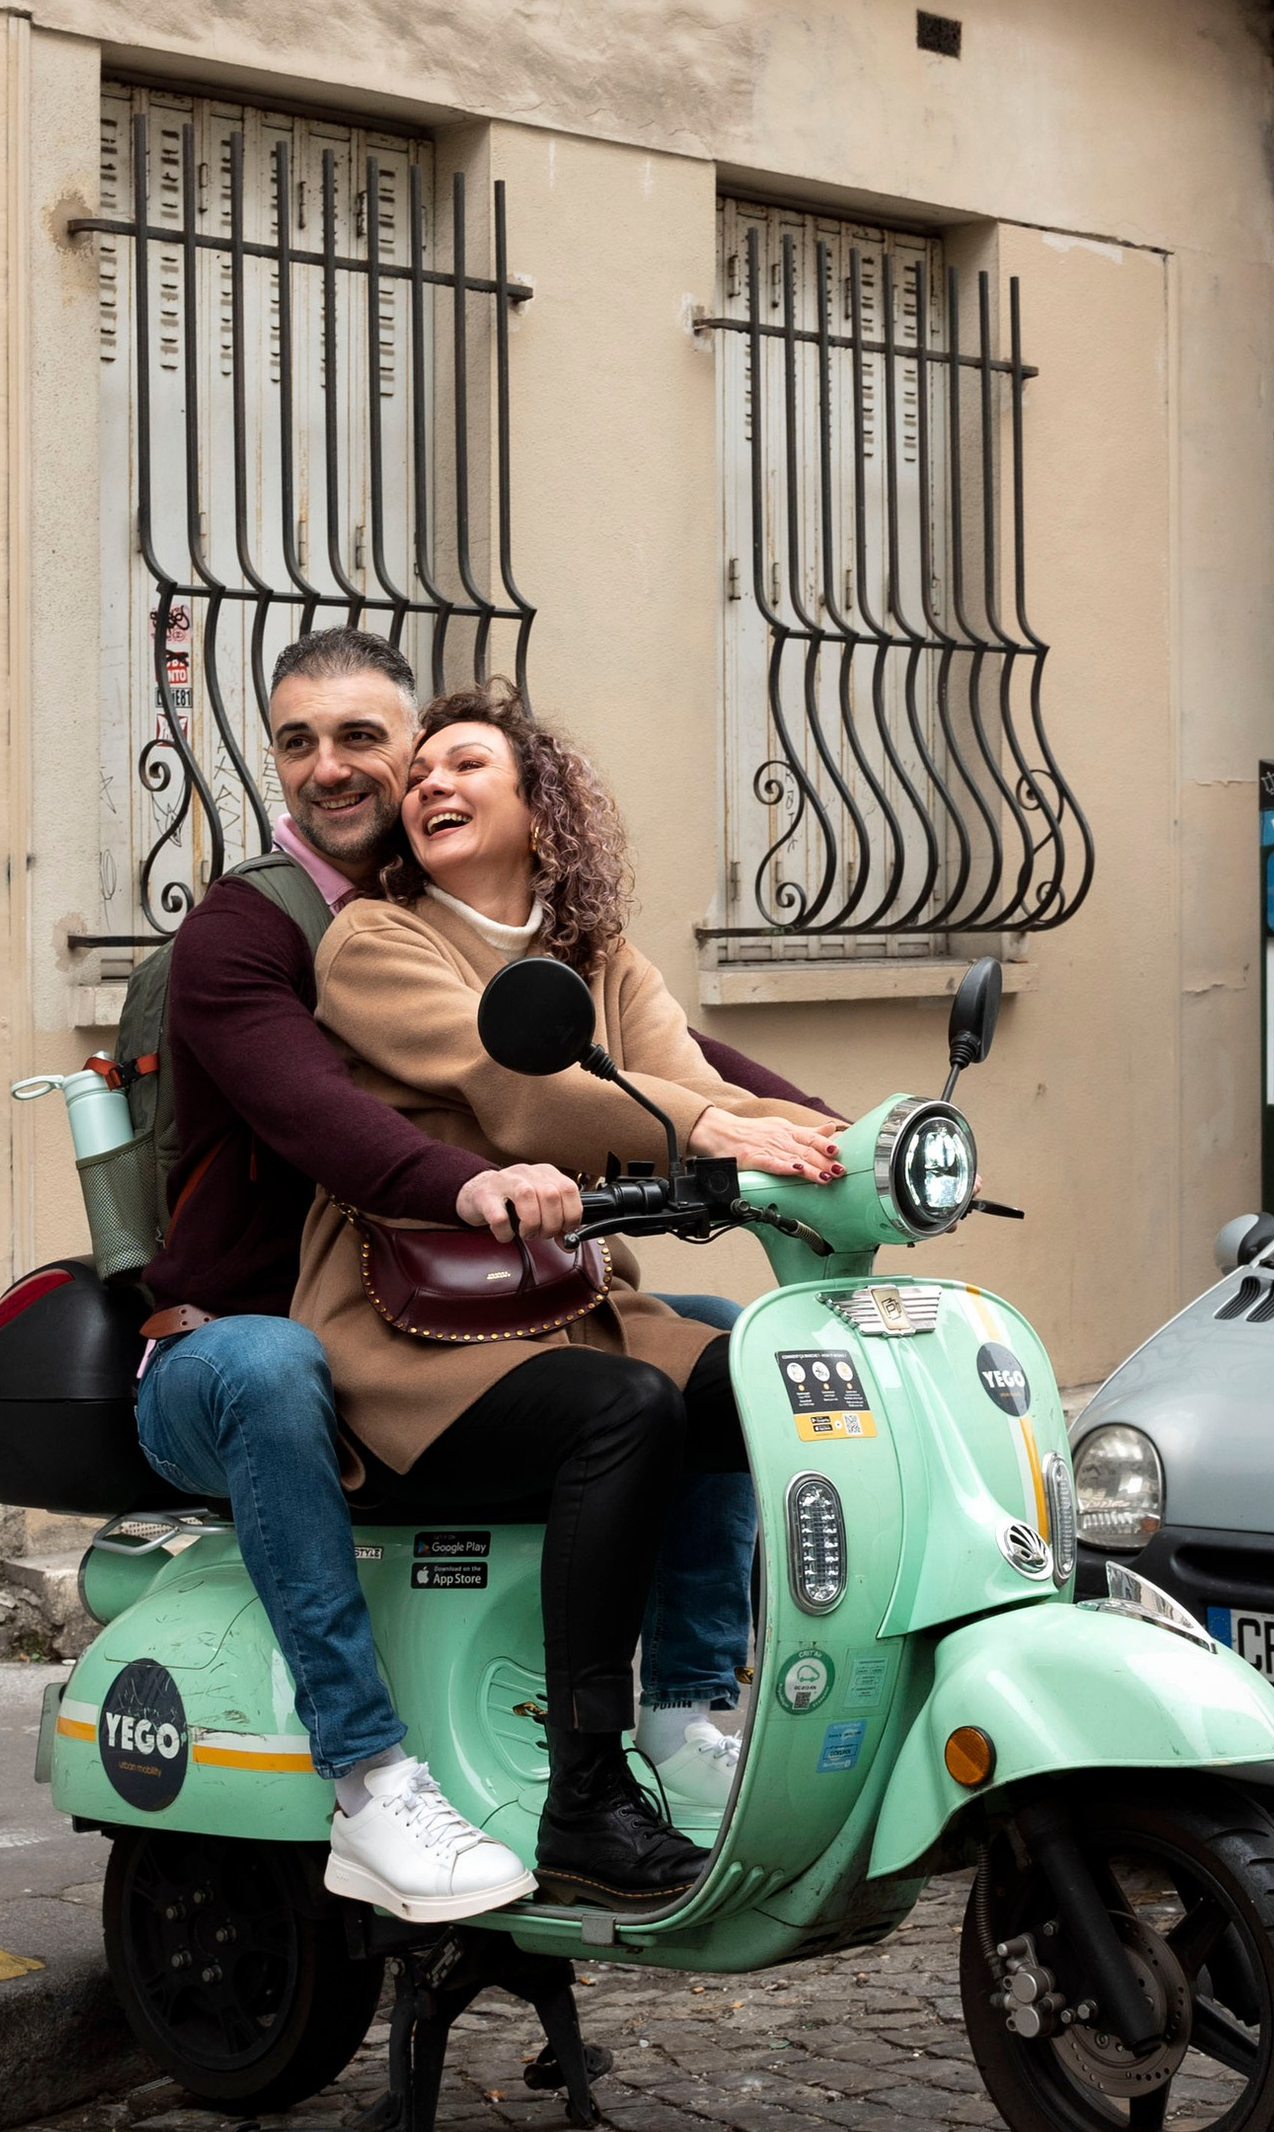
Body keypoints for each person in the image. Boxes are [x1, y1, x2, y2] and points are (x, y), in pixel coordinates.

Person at [130, 628, 829, 1925]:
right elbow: (341, 1116)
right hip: (243, 1331)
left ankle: (691, 1706)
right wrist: (465, 1181)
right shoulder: (271, 930)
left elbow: (675, 1063)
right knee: (302, 1370)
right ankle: (373, 1771)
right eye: (298, 740)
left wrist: (850, 1136)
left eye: (364, 739)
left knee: (753, 1353)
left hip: (498, 1297)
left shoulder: (563, 946)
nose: (333, 765)